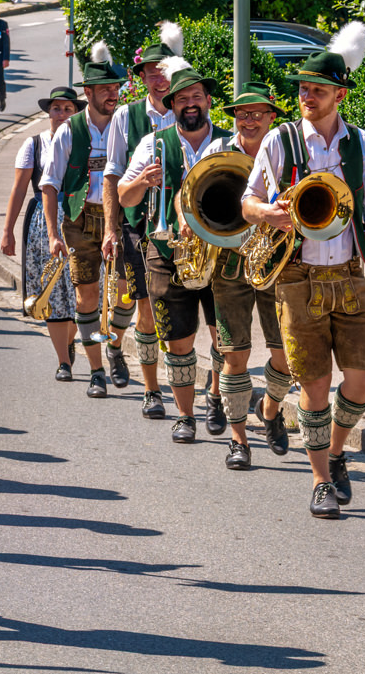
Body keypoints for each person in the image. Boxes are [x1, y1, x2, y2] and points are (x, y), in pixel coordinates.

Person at [238, 22, 365, 519]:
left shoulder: (361, 144)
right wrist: (268, 213)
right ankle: (321, 480)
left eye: (317, 90)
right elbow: (248, 201)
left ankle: (337, 449)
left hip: (348, 273)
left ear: (339, 95)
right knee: (314, 384)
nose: (307, 96)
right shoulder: (280, 139)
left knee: (363, 380)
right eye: (303, 88)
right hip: (296, 276)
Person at [113, 66, 226, 444]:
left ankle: (215, 397)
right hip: (167, 251)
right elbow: (124, 196)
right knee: (178, 342)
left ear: (208, 102)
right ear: (172, 105)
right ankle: (185, 415)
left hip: (221, 254)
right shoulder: (153, 143)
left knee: (224, 337)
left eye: (197, 97)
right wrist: (144, 181)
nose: (191, 104)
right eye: (183, 99)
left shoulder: (228, 143)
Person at [206, 85, 297, 469]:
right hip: (229, 262)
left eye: (258, 113)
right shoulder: (218, 150)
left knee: (286, 356)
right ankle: (238, 440)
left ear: (272, 117)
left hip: (275, 260)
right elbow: (192, 195)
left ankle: (270, 410)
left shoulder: (285, 151)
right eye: (243, 114)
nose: (249, 120)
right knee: (234, 354)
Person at [100, 33, 184, 411]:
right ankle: (151, 390)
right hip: (137, 224)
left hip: (180, 226)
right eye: (151, 73)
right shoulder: (126, 116)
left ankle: (176, 379)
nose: (158, 79)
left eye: (163, 72)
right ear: (142, 78)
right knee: (144, 307)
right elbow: (112, 174)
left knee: (175, 308)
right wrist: (110, 228)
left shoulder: (188, 110)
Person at [38, 44, 126, 399]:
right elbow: (49, 185)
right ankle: (96, 371)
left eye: (115, 88)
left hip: (121, 219)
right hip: (79, 220)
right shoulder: (69, 130)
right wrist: (52, 234)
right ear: (87, 93)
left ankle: (115, 346)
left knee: (126, 294)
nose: (112, 94)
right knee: (86, 297)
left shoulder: (126, 124)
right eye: (105, 89)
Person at [1, 86, 81, 378]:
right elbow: (19, 189)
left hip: (80, 220)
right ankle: (63, 361)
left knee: (83, 292)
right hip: (42, 224)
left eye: (68, 109)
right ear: (49, 113)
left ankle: (69, 338)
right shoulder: (34, 144)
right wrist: (7, 231)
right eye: (56, 108)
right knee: (51, 289)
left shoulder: (86, 143)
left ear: (76, 114)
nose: (61, 114)